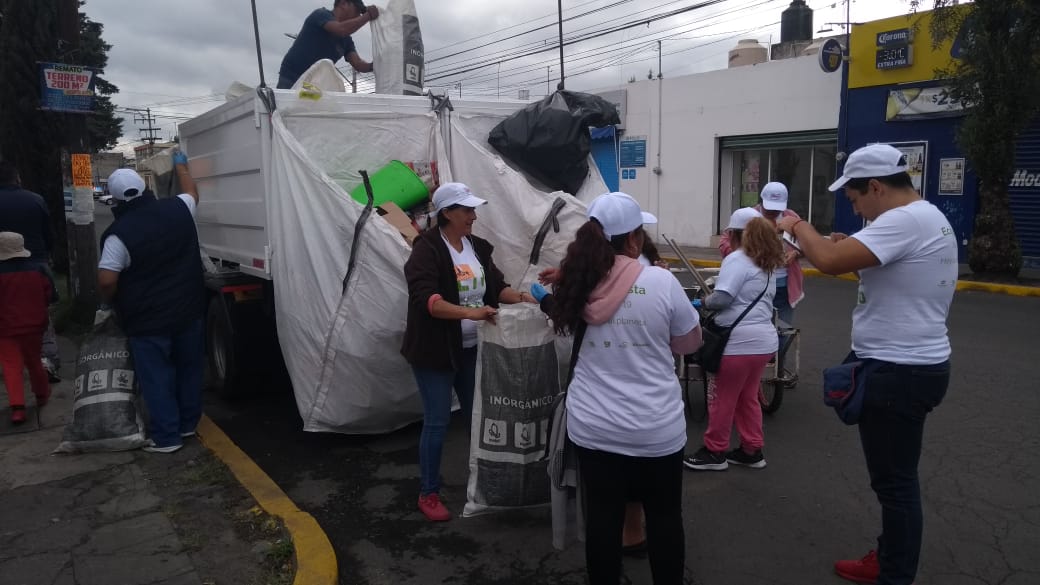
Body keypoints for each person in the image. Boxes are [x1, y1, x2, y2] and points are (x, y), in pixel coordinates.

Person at [776, 144, 956, 585]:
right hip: (911, 365)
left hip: (899, 369)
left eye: (855, 199)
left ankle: (894, 573)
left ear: (875, 186)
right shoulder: (926, 216)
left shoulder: (902, 220)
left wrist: (797, 225)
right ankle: (890, 556)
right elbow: (883, 271)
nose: (855, 210)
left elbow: (831, 262)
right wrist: (846, 249)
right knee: (895, 479)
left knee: (894, 485)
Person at [545, 191, 701, 585]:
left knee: (602, 519)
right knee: (665, 518)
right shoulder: (661, 282)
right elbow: (689, 343)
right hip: (656, 429)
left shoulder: (578, 283)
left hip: (594, 428)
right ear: (633, 239)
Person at [401, 182, 534, 522]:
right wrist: (470, 313)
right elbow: (427, 300)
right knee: (437, 422)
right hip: (435, 351)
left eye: (474, 210)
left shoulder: (476, 248)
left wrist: (521, 296)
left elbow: (495, 286)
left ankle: (486, 481)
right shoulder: (426, 249)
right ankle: (428, 493)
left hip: (472, 348)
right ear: (447, 213)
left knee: (479, 417)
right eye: (466, 210)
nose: (473, 216)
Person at [97, 153, 205, 454]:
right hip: (188, 309)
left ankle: (167, 437)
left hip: (147, 320)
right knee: (189, 369)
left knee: (157, 376)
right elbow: (192, 192)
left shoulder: (117, 235)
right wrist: (182, 165)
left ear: (115, 201)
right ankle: (187, 424)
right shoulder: (178, 208)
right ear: (145, 191)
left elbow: (107, 280)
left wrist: (108, 303)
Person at [684, 210, 784, 471]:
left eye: (727, 233)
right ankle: (752, 449)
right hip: (763, 343)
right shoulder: (766, 261)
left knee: (721, 398)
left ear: (735, 234)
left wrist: (701, 302)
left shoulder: (737, 259)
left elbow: (722, 299)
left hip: (737, 345)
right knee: (747, 398)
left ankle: (715, 451)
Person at [0, 161, 61, 382]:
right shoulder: (35, 200)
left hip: (2, 265)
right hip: (36, 262)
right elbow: (49, 233)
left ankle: (10, 359)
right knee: (41, 311)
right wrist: (49, 256)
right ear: (17, 178)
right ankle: (47, 360)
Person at [720, 182, 804, 326]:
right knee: (755, 322)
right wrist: (748, 255)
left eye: (777, 208)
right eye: (769, 207)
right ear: (761, 200)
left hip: (783, 282)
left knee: (783, 328)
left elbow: (805, 244)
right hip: (754, 281)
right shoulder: (747, 216)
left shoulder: (791, 218)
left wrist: (796, 253)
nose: (772, 212)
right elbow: (725, 243)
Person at [0, 232, 55, 424]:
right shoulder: (38, 269)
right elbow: (49, 294)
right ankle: (41, 395)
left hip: (6, 328)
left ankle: (18, 409)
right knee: (34, 361)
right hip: (34, 325)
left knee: (11, 365)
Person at [278, 0, 380, 89]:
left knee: (318, 106)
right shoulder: (321, 15)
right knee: (286, 107)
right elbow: (341, 29)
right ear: (343, 3)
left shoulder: (346, 40)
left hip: (311, 87)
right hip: (291, 79)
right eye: (357, 11)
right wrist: (367, 16)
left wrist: (377, 65)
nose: (358, 16)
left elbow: (358, 64)